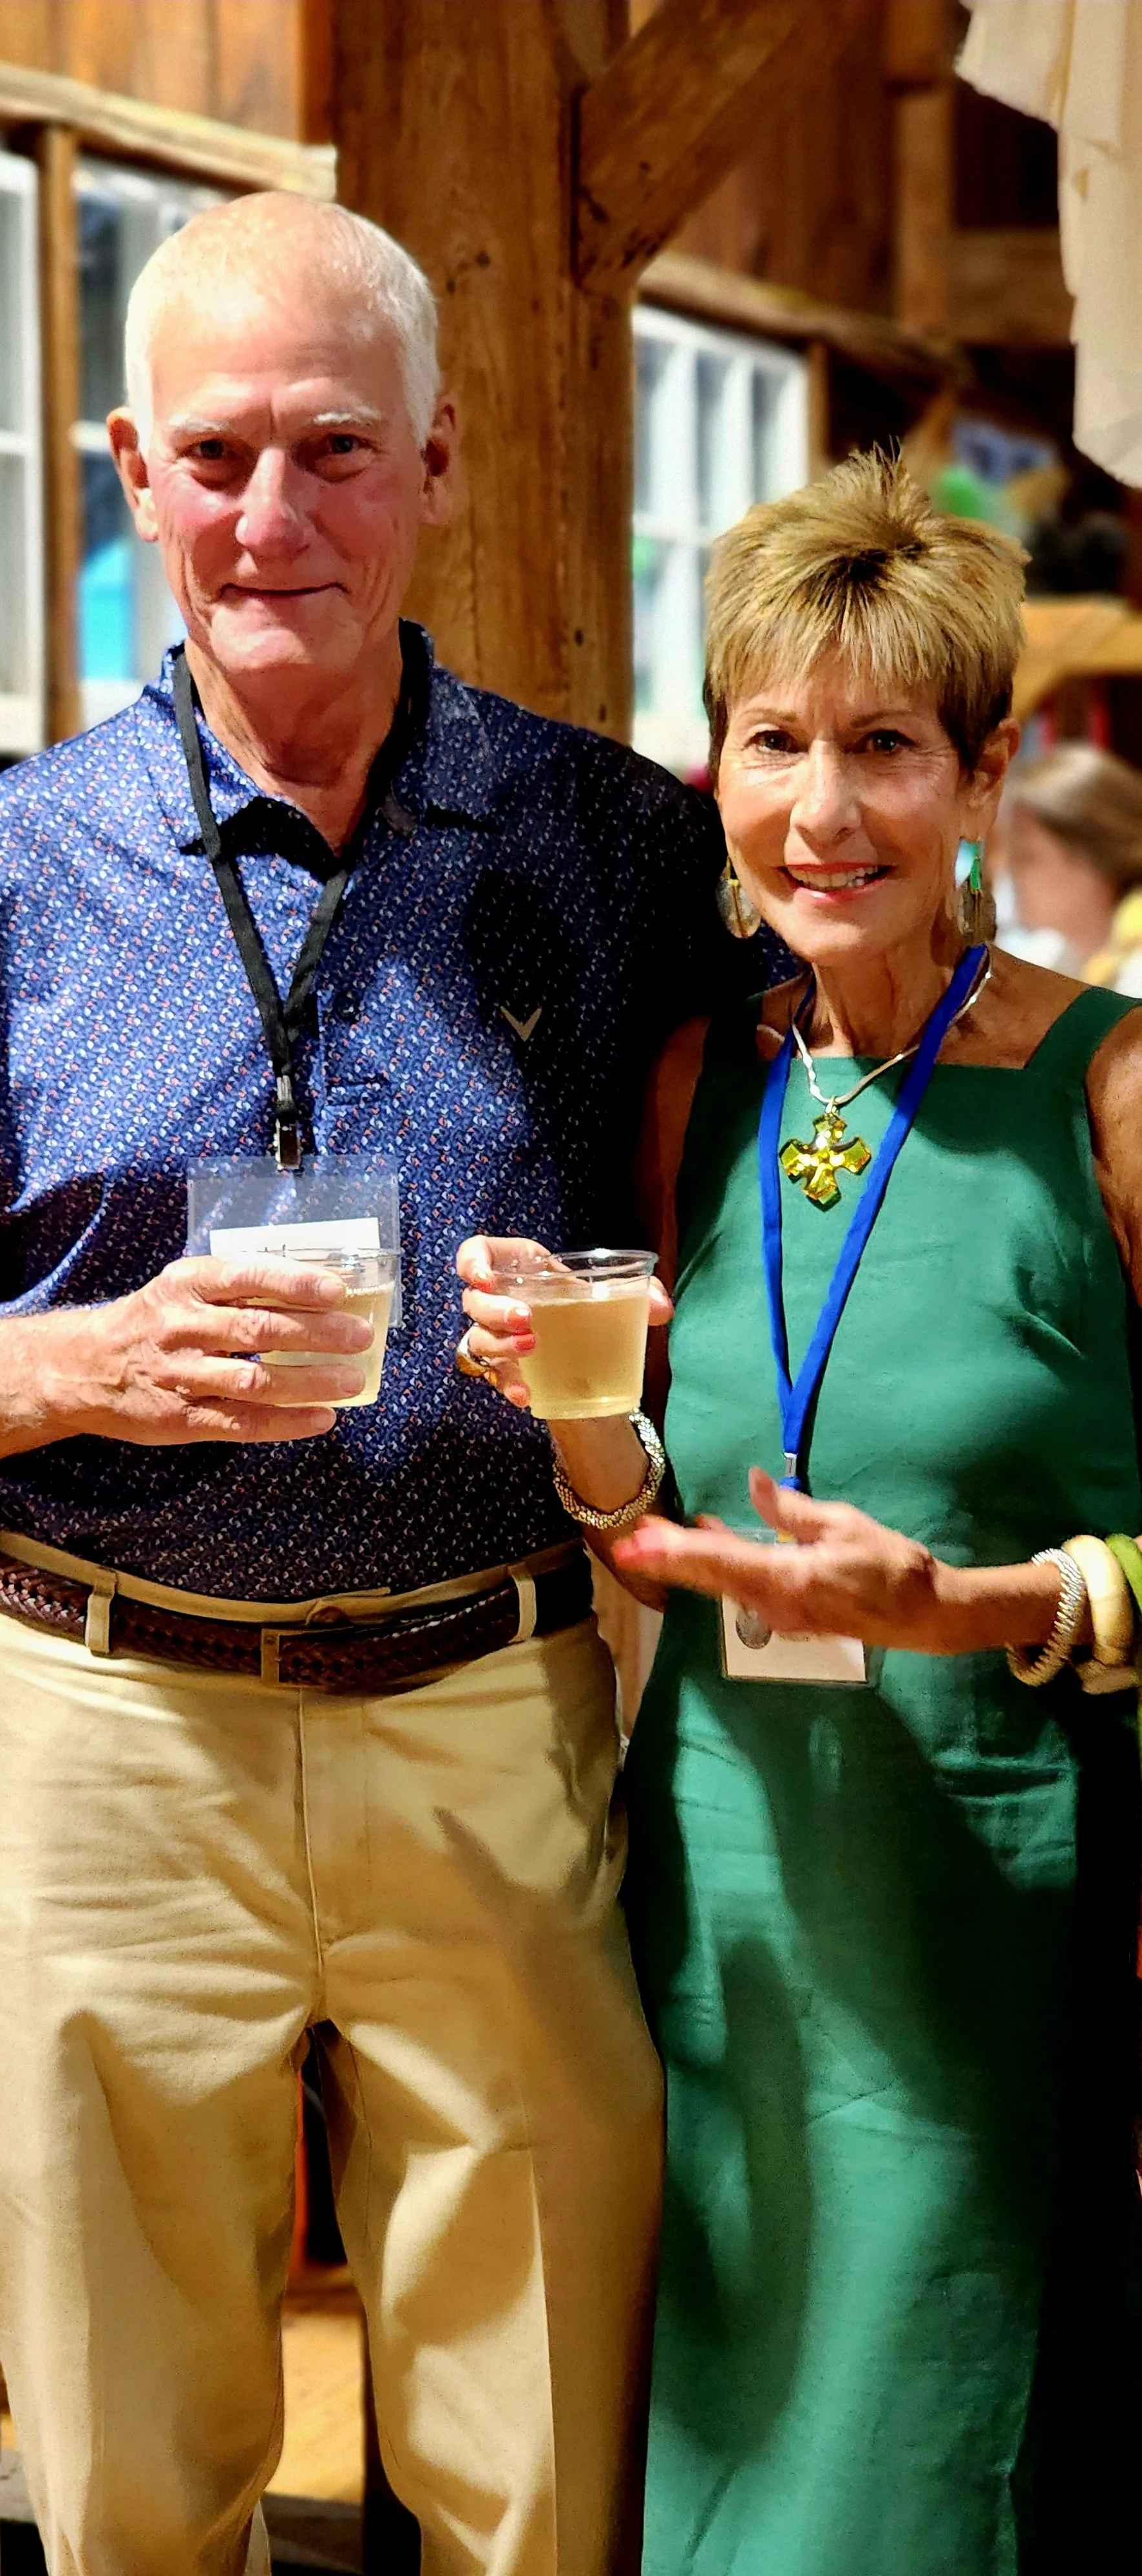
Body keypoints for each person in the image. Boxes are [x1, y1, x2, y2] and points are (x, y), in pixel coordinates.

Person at [0, 189, 747, 2576]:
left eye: (332, 448)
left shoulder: (613, 846)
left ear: (439, 461)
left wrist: (617, 1334)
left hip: (487, 1715)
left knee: (537, 2464)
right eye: (213, 453)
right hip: (99, 1727)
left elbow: (765, 1231)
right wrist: (76, 1356)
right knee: (120, 2479)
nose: (269, 515)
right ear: (122, 469)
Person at [459, 451, 1142, 2576]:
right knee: (729, 2453)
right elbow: (652, 1501)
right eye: (773, 744)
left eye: (881, 750)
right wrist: (572, 1424)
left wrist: (973, 1600)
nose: (820, 814)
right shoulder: (698, 1086)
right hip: (724, 1883)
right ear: (713, 764)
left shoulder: (1104, 1090)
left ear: (981, 765)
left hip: (993, 1894)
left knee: (934, 2466)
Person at [993, 737, 1142, 978]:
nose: (1010, 874)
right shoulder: (1063, 962)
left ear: (1093, 855)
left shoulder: (1136, 971)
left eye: (1027, 857)